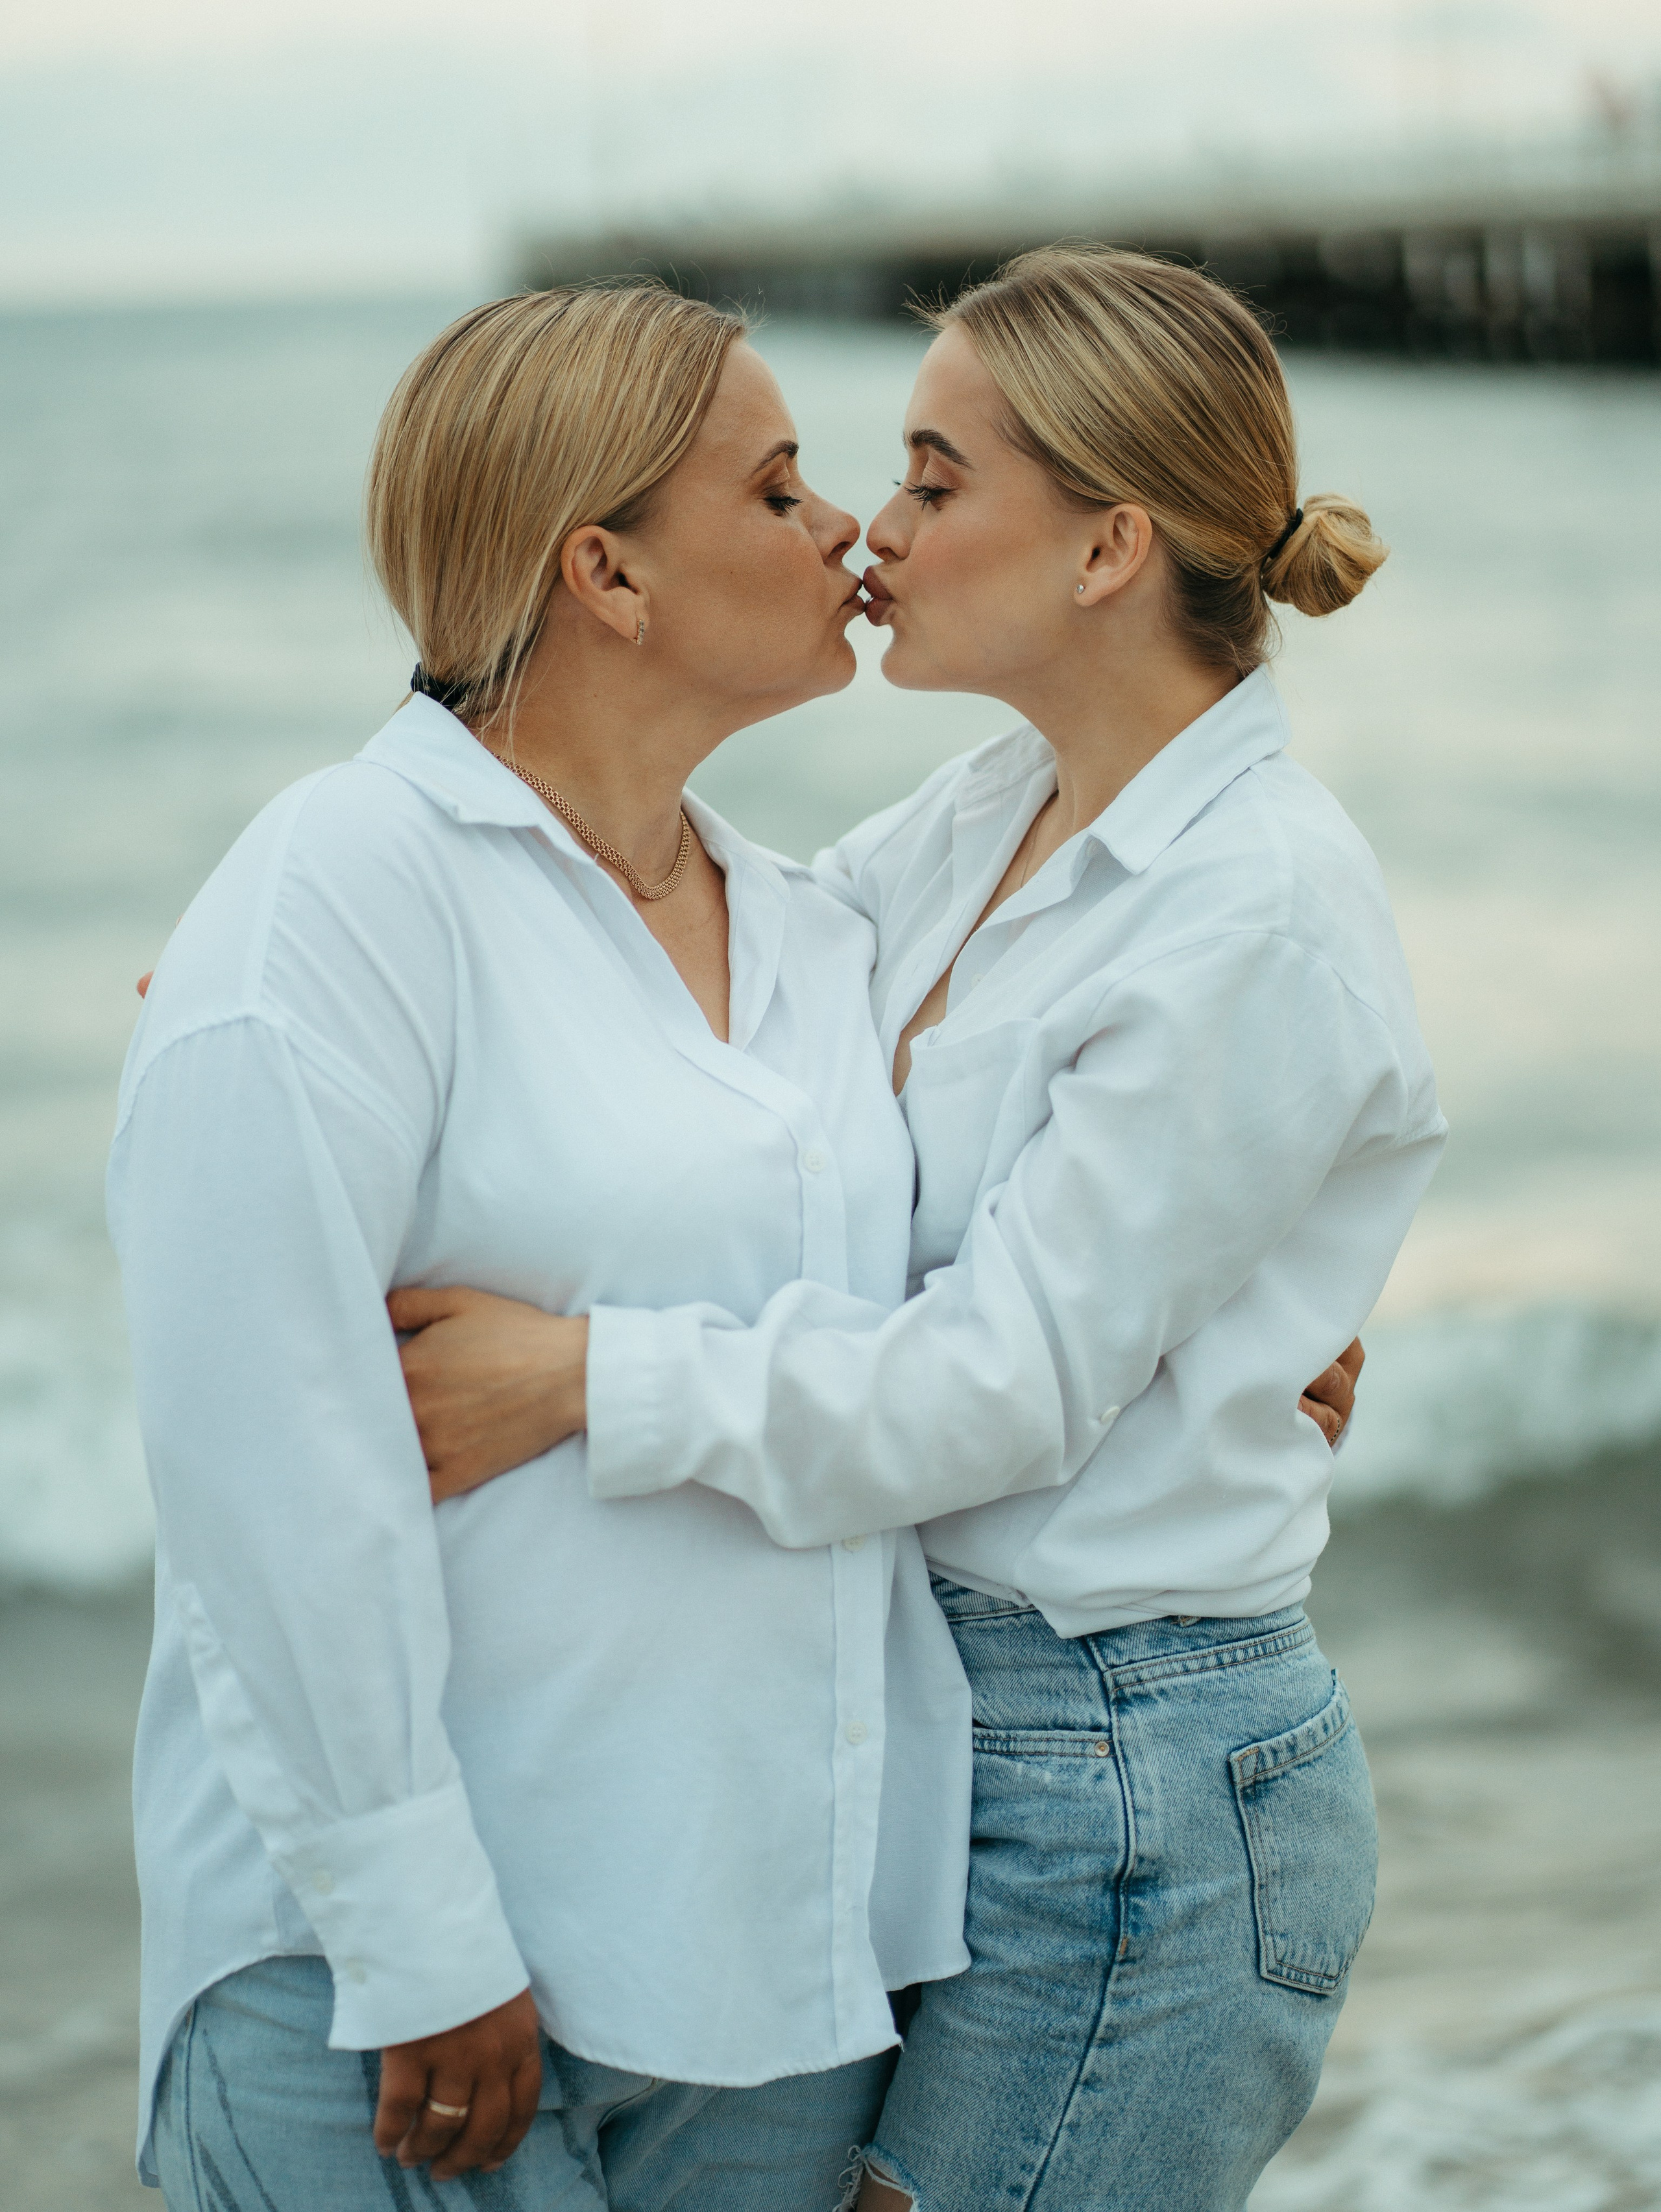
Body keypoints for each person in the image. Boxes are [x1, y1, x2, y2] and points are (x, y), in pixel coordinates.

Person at [388, 248, 1446, 2212]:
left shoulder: (1255, 914)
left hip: (1128, 1786)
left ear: (1111, 543)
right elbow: (677, 942)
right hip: (947, 1734)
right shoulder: (990, 817)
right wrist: (327, 951)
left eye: (937, 480)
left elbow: (1000, 1390)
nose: (875, 530)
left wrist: (578, 1379)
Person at [111, 280, 989, 2212]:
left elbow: (962, 1310)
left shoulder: (816, 929)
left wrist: (1231, 1350)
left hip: (769, 1986)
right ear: (607, 569)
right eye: (775, 493)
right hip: (402, 1998)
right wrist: (420, 1931)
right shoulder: (337, 897)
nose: (843, 527)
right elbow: (272, 1471)